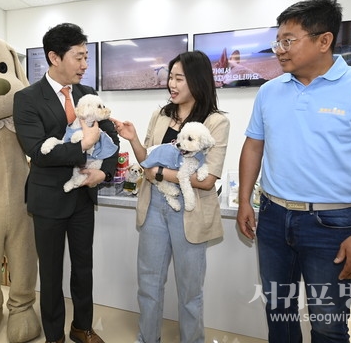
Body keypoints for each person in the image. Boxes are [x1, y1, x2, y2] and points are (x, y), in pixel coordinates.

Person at [237, 0, 351, 343]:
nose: (279, 50)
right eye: (277, 41)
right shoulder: (269, 92)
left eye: (288, 40)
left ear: (323, 41)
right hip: (272, 215)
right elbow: (254, 146)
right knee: (278, 311)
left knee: (328, 323)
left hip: (331, 224)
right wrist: (243, 202)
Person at [112, 50, 230, 343]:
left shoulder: (216, 122)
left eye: (180, 78)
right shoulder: (161, 114)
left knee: (190, 292)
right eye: (171, 78)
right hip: (154, 207)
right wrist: (134, 139)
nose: (172, 85)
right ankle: (146, 339)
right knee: (149, 285)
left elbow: (207, 179)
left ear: (198, 81)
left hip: (190, 214)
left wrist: (162, 174)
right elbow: (147, 161)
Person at [13, 22, 119, 343]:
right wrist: (84, 145)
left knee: (83, 268)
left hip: (83, 197)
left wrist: (105, 172)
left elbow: (111, 136)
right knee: (51, 273)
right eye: (79, 57)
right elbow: (37, 152)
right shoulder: (27, 99)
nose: (85, 65)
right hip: (47, 201)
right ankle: (54, 336)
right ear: (54, 57)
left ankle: (81, 328)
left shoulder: (88, 94)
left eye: (87, 57)